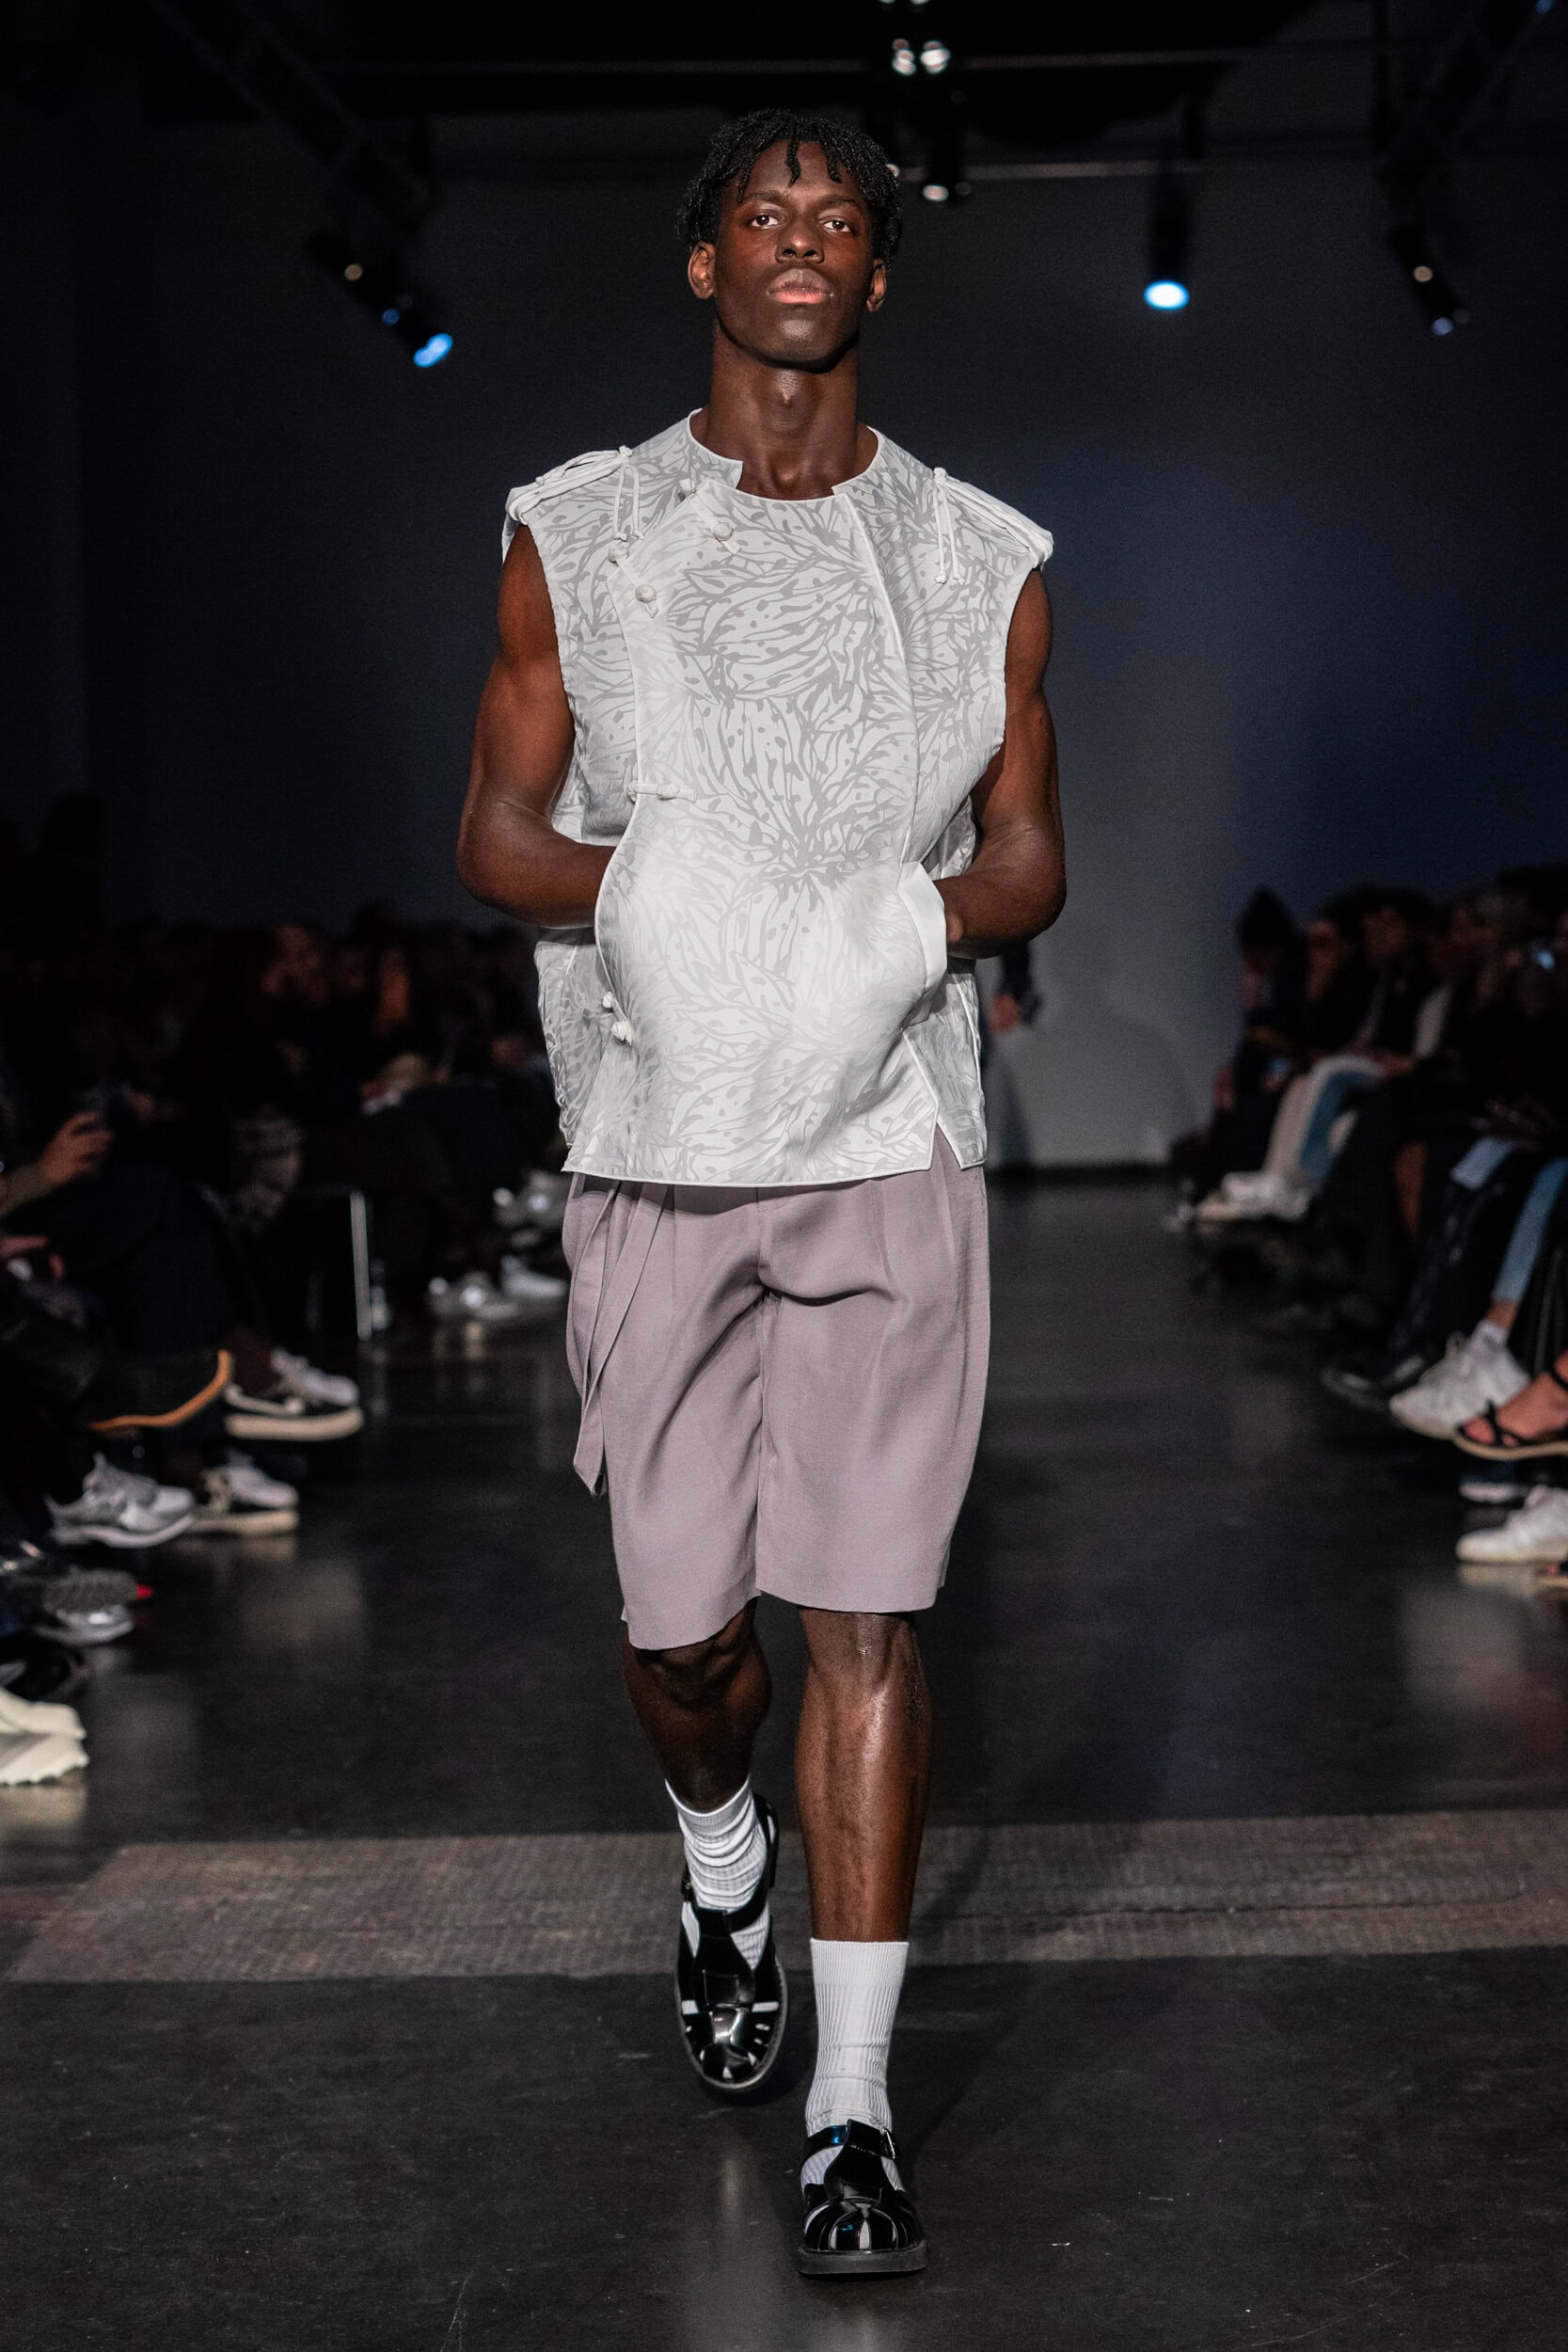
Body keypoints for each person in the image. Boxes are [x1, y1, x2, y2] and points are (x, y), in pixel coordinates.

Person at [457, 110, 1063, 2277]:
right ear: (702, 260)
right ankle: (721, 1856)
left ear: (878, 275)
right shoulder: (581, 529)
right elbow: (498, 834)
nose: (802, 238)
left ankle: (853, 2105)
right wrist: (683, 903)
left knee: (864, 1623)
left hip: (888, 1135)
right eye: (762, 211)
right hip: (660, 1136)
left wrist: (896, 929)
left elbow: (1028, 855)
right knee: (685, 1637)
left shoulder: (983, 554)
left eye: (840, 217)